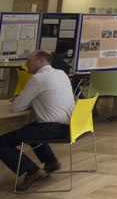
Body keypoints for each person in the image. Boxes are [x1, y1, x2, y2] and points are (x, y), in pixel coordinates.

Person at [0, 50, 75, 191]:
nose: (26, 64)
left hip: (52, 129)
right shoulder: (60, 73)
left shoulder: (38, 79)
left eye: (29, 61)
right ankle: (51, 161)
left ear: (41, 61)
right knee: (30, 129)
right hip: (70, 127)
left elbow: (17, 107)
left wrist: (18, 101)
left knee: (2, 142)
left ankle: (32, 171)